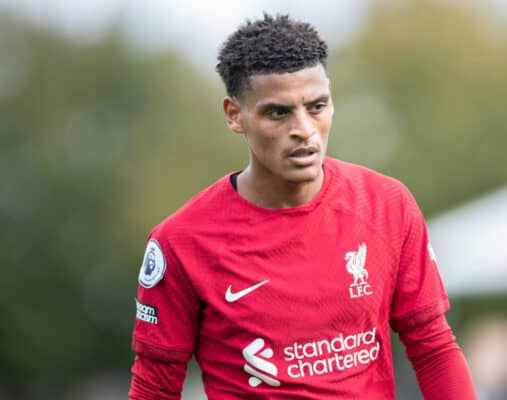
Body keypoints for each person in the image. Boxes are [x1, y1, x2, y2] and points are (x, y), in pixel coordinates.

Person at [129, 13, 476, 400]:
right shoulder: (181, 242)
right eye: (279, 112)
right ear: (234, 115)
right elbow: (154, 389)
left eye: (316, 106)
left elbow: (433, 348)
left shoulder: (388, 206)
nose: (305, 130)